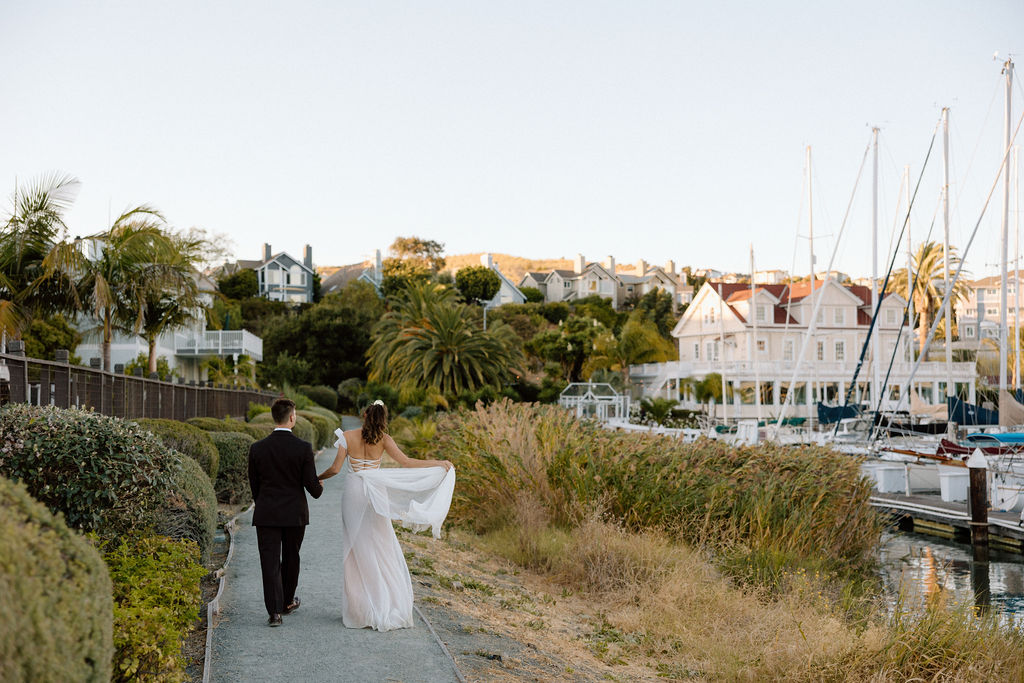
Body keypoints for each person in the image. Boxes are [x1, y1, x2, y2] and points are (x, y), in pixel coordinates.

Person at [318, 400, 455, 631]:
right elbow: (407, 462)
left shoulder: (347, 437)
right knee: (380, 546)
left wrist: (316, 477)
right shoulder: (384, 439)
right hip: (375, 494)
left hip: (353, 494)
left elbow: (334, 469)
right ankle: (384, 602)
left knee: (355, 548)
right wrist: (439, 463)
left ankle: (361, 609)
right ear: (383, 419)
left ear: (364, 414)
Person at [248, 398, 324, 627]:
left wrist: (264, 502)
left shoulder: (257, 448)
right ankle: (287, 602)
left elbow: (254, 486)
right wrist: (319, 487)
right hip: (294, 514)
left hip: (266, 513)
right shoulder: (302, 448)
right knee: (292, 558)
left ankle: (274, 613)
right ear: (292, 417)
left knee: (269, 563)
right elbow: (312, 487)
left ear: (274, 417)